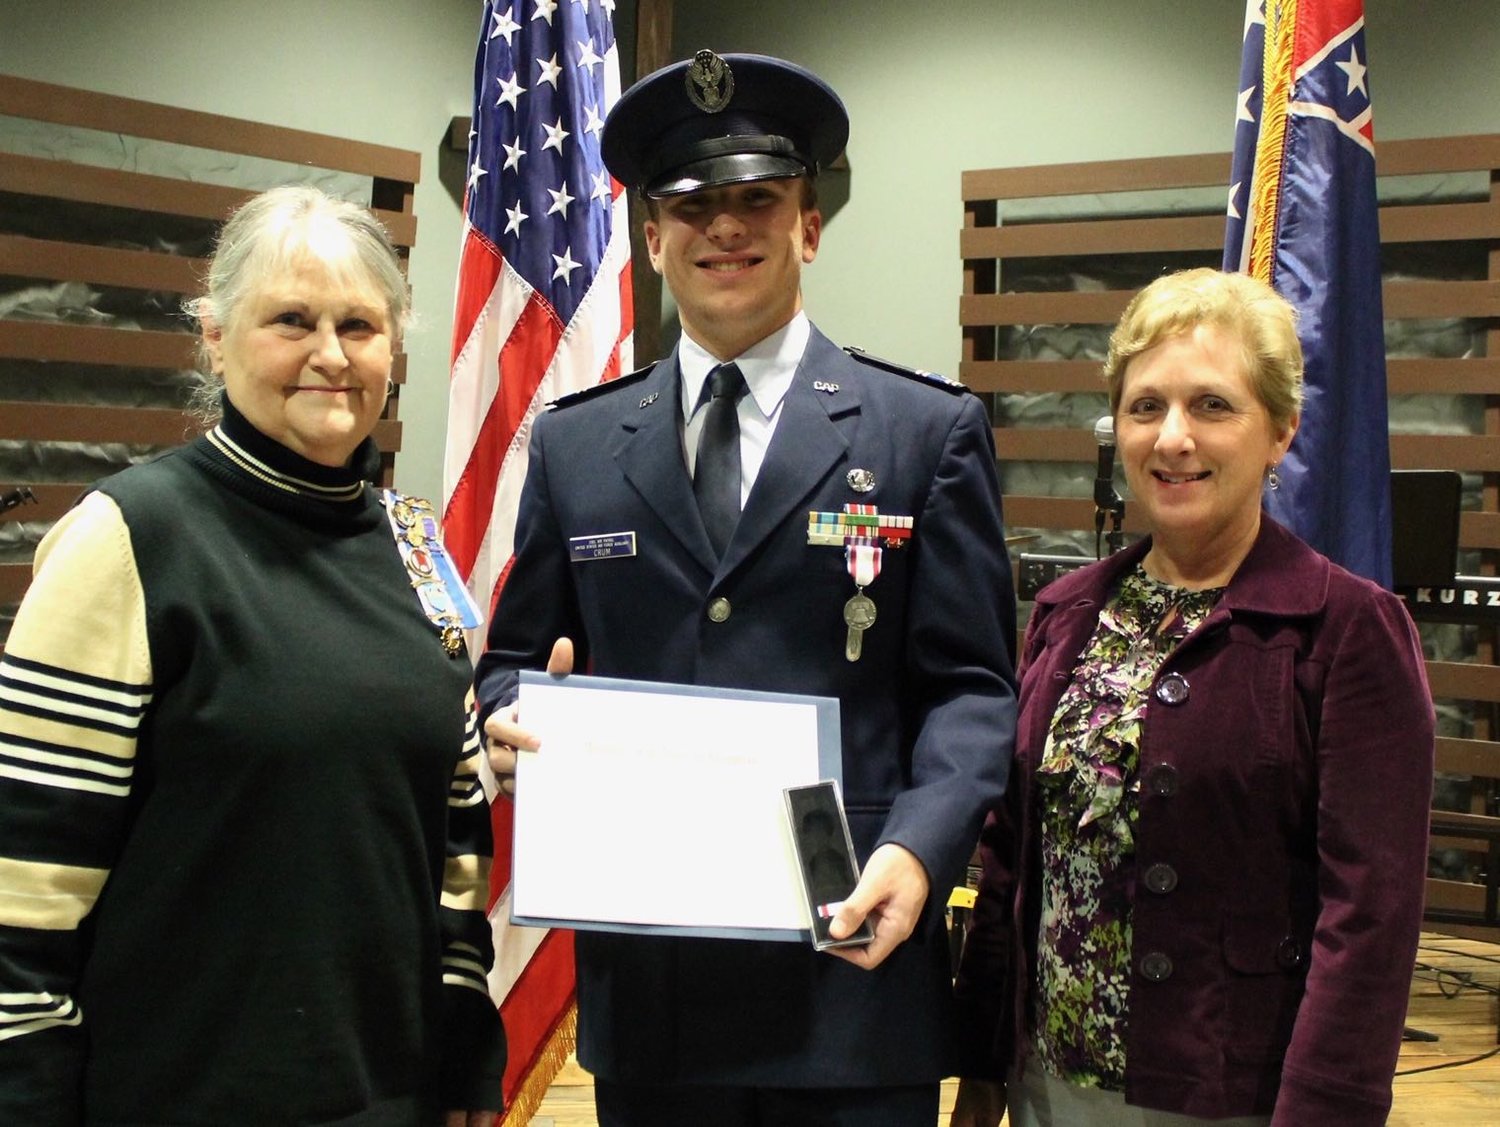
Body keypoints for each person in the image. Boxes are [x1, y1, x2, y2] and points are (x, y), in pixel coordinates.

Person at [476, 50, 1017, 1127]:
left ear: (809, 225)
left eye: (756, 200)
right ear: (653, 235)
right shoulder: (579, 445)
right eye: (691, 204)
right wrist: (509, 718)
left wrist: (918, 850)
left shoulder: (923, 433)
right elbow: (513, 663)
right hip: (656, 993)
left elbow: (972, 687)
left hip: (852, 971)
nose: (724, 228)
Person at [0, 185, 505, 1125]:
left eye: (360, 325)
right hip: (179, 1093)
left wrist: (466, 1018)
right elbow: (24, 876)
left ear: (393, 350)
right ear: (214, 335)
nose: (330, 353)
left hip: (388, 1092)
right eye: (291, 320)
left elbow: (453, 825)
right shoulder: (130, 537)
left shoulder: (411, 542)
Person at [951, 268, 1435, 1127]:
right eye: (1146, 407)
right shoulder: (1066, 613)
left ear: (1281, 429)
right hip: (1050, 1081)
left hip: (1231, 1094)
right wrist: (984, 1062)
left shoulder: (1349, 629)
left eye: (1212, 405)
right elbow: (1010, 854)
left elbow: (1370, 913)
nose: (1173, 437)